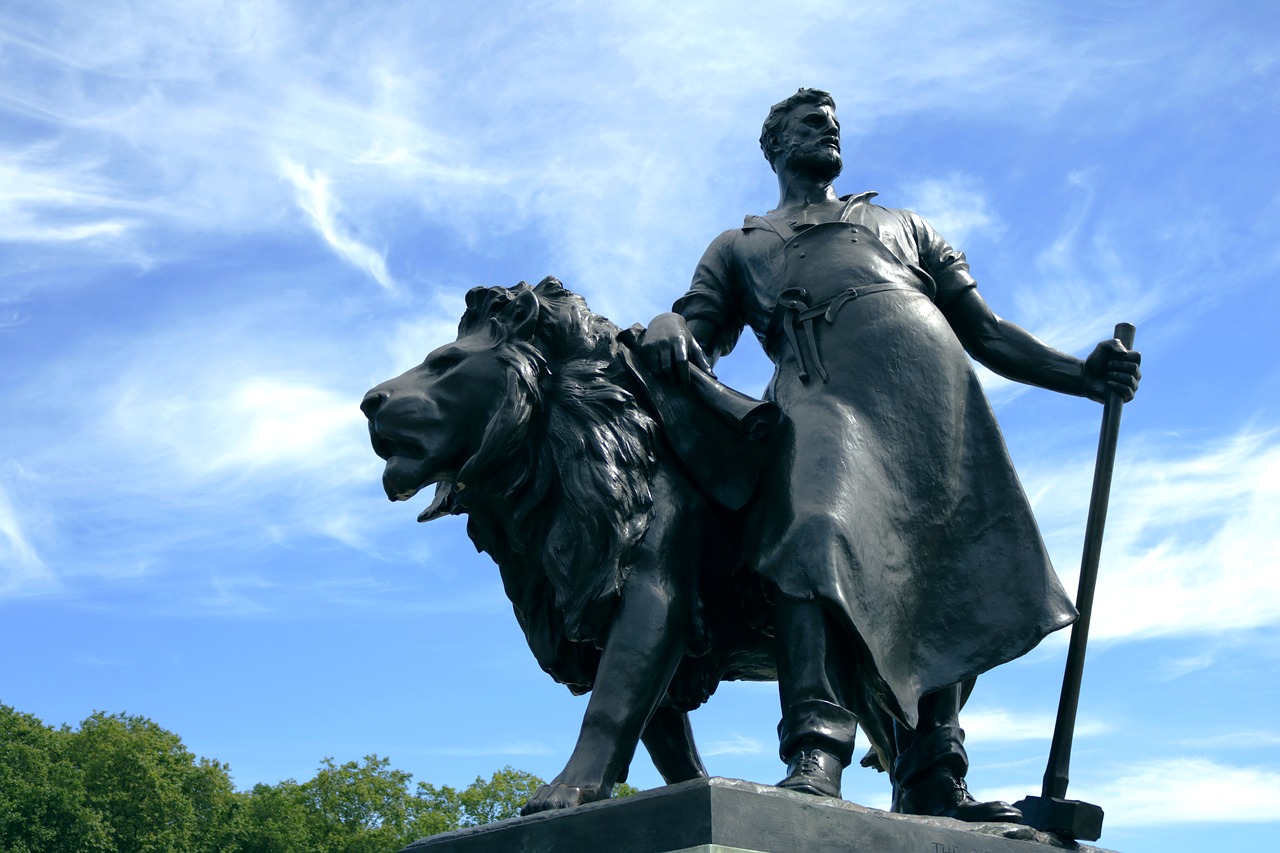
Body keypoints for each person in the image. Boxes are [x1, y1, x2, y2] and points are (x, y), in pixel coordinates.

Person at [640, 88, 1141, 822]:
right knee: (810, 534)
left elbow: (988, 331)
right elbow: (700, 326)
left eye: (836, 124)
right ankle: (816, 751)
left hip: (934, 401)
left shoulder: (904, 225)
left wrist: (1082, 375)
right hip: (822, 397)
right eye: (811, 123)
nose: (829, 131)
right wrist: (666, 323)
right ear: (775, 144)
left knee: (943, 572)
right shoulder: (740, 244)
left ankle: (934, 772)